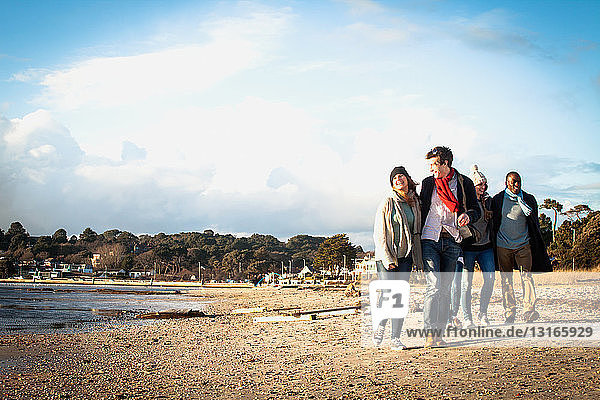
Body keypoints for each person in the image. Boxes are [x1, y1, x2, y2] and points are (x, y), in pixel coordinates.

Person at [420, 146, 480, 347]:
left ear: (445, 163)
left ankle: (440, 333)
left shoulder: (464, 183)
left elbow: (475, 210)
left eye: (433, 165)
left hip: (453, 239)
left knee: (445, 289)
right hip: (430, 238)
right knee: (434, 285)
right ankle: (429, 333)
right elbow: (421, 207)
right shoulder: (429, 183)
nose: (430, 169)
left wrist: (468, 215)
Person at [373, 166, 424, 350]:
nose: (398, 179)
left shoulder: (414, 202)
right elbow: (379, 233)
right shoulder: (388, 202)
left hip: (406, 256)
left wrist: (417, 258)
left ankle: (395, 338)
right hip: (387, 256)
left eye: (401, 175)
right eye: (394, 178)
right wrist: (388, 258)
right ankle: (380, 325)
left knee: (400, 297)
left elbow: (416, 232)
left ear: (408, 179)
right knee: (389, 295)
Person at [491, 171, 552, 324]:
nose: (516, 185)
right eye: (513, 182)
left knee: (527, 277)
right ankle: (509, 312)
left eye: (519, 182)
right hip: (503, 245)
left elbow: (534, 224)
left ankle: (529, 311)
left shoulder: (528, 199)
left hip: (523, 245)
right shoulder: (498, 199)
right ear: (507, 183)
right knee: (506, 280)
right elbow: (493, 222)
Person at [459, 165, 496, 327]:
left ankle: (483, 313)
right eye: (479, 185)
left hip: (486, 247)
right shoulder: (466, 203)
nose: (482, 187)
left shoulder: (489, 202)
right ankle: (467, 318)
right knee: (466, 284)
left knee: (490, 279)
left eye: (484, 184)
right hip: (468, 248)